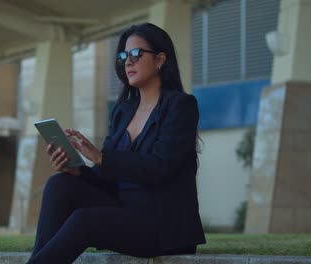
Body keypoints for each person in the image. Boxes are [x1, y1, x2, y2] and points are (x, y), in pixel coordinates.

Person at [26, 22, 206, 264]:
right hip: (124, 211)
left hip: (162, 223)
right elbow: (109, 177)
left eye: (135, 54)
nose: (127, 61)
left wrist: (102, 157)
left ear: (160, 59)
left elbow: (160, 167)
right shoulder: (123, 111)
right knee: (60, 184)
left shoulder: (181, 106)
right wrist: (77, 172)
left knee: (84, 220)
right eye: (123, 55)